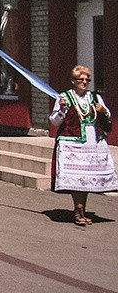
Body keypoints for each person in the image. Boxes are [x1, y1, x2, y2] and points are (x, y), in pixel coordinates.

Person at [49, 65, 118, 226]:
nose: (84, 82)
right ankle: (78, 209)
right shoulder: (64, 97)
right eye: (81, 79)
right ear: (73, 81)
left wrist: (103, 111)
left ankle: (82, 209)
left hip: (93, 141)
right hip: (72, 141)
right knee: (77, 177)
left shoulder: (95, 97)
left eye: (87, 80)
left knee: (86, 178)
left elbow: (107, 115)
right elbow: (54, 121)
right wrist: (63, 109)